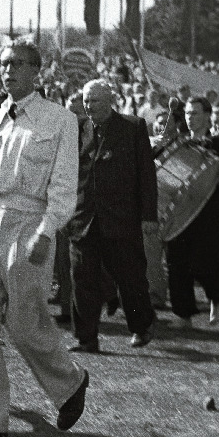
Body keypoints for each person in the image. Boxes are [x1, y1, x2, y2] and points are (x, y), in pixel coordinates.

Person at [0, 42, 88, 437]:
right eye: (3, 64)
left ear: (37, 70)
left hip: (31, 223)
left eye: (17, 63)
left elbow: (65, 185)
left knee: (23, 323)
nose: (8, 70)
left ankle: (70, 384)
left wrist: (47, 229)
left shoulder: (60, 120)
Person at [67, 79, 157, 352]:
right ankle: (86, 338)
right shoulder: (77, 129)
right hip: (84, 220)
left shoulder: (132, 127)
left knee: (130, 278)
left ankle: (141, 327)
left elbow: (146, 175)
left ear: (109, 101)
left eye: (94, 100)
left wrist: (148, 216)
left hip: (121, 219)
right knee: (82, 279)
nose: (88, 105)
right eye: (85, 100)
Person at [166, 98, 219, 327]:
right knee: (177, 261)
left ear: (207, 115)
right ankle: (183, 314)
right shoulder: (180, 144)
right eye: (187, 113)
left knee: (203, 260)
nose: (190, 117)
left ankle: (217, 297)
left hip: (207, 211)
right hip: (180, 210)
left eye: (195, 113)